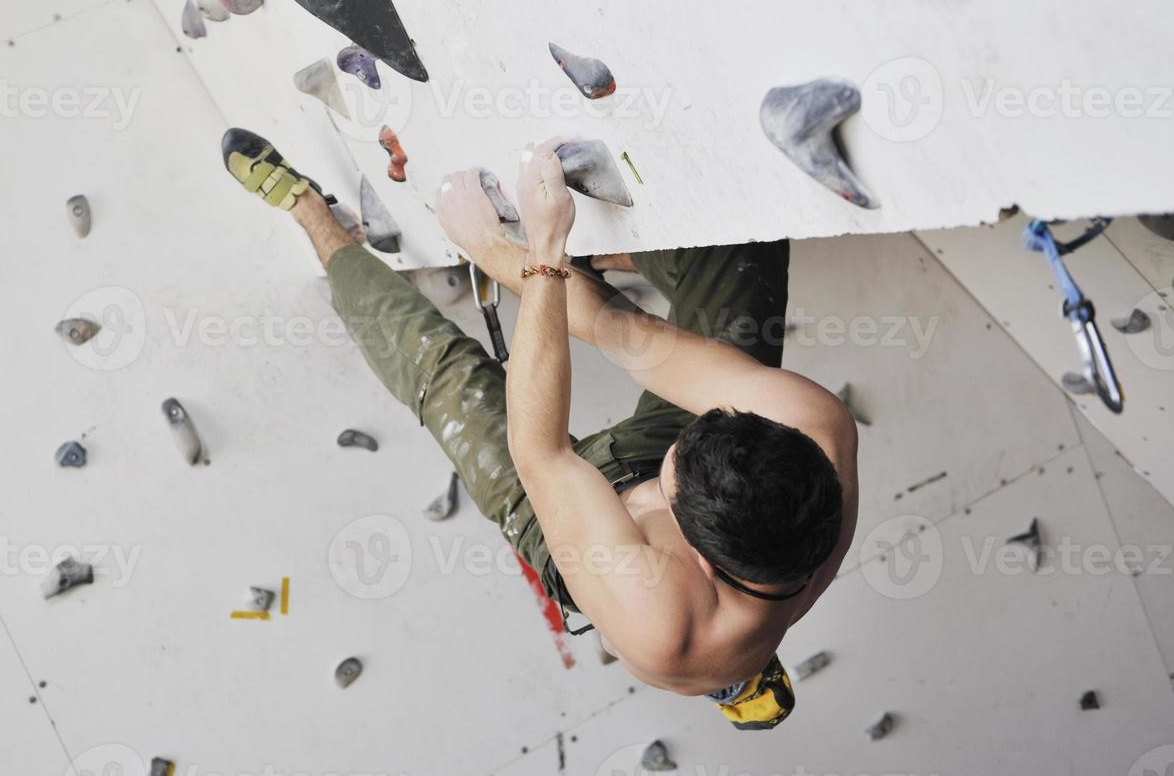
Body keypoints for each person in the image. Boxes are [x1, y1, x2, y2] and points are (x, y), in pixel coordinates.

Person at [222, 130, 860, 729]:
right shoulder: (813, 425)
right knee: (740, 251)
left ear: (694, 549)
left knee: (444, 378)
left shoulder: (662, 629)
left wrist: (523, 255)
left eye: (668, 485)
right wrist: (536, 250)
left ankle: (312, 213)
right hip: (697, 486)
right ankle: (610, 247)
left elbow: (543, 453)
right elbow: (620, 331)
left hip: (569, 534)